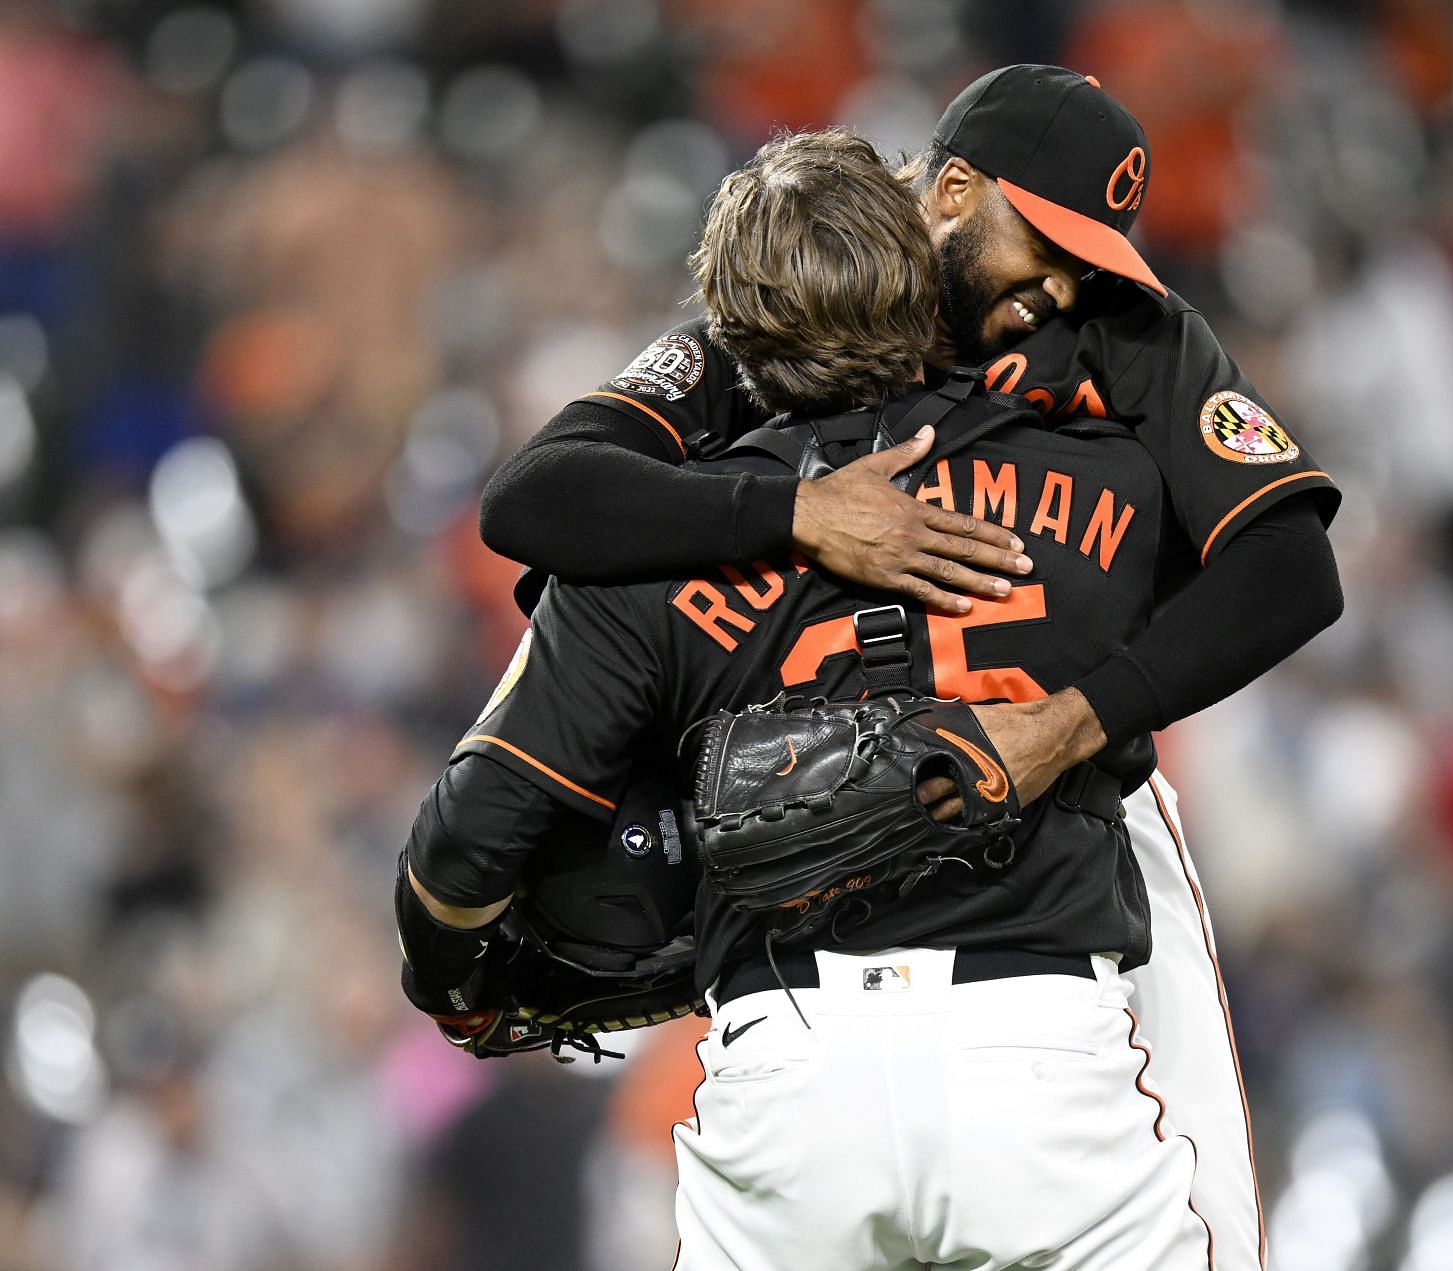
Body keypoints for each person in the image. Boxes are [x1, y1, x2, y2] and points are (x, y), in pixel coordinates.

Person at [479, 67, 1344, 1268]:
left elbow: (1293, 567)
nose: (1061, 282)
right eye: (1044, 241)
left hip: (1061, 788)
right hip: (809, 858)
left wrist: (1076, 722)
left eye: (1092, 255)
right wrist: (794, 513)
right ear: (950, 190)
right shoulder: (798, 308)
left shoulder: (1121, 330)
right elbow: (536, 498)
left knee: (1212, 1216)